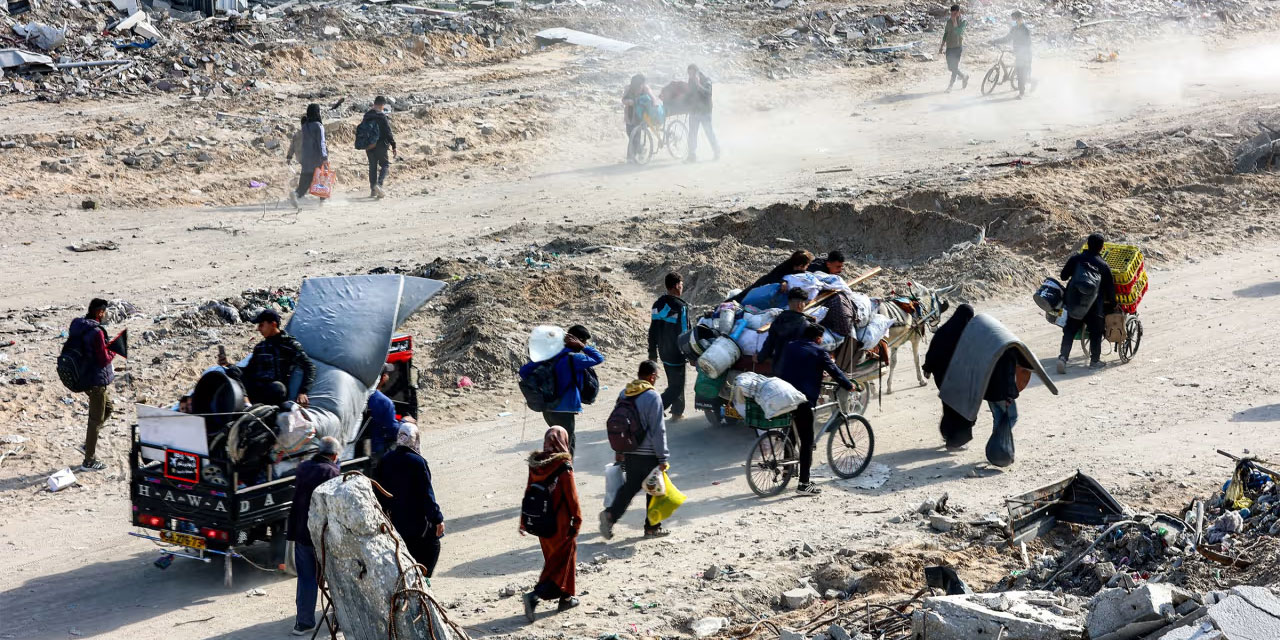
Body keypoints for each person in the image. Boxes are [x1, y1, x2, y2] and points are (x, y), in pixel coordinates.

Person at [924, 305, 1057, 465]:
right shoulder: (977, 341)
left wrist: (927, 368)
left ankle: (950, 435)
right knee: (970, 412)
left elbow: (933, 351)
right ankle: (975, 443)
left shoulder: (947, 333)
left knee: (951, 407)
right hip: (961, 377)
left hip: (946, 378)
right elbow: (1011, 369)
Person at [776, 324, 855, 496]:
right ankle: (804, 484)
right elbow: (835, 371)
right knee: (806, 441)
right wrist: (848, 385)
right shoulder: (819, 351)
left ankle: (786, 471)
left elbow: (796, 366)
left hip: (784, 395)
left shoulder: (791, 346)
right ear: (818, 338)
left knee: (791, 434)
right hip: (803, 399)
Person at [599, 360, 670, 540]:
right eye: (656, 376)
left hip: (630, 450)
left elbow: (618, 424)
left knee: (630, 488)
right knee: (655, 490)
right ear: (652, 377)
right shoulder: (653, 396)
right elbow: (658, 430)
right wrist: (663, 457)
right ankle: (652, 528)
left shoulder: (625, 393)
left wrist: (620, 450)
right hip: (649, 454)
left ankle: (610, 515)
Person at [520, 426, 582, 622]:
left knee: (555, 560)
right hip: (561, 524)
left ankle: (566, 598)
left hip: (541, 523)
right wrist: (577, 520)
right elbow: (572, 497)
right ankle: (535, 596)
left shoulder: (536, 465)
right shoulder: (563, 466)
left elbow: (528, 491)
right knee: (561, 562)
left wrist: (523, 521)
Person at [518, 326, 604, 456]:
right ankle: (565, 469)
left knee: (556, 444)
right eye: (584, 341)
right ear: (577, 340)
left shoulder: (551, 355)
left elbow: (523, 371)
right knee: (567, 446)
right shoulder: (575, 358)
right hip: (565, 409)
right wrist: (583, 347)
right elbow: (599, 358)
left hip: (548, 408)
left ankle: (555, 467)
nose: (584, 344)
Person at [287, 435, 341, 636]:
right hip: (323, 538)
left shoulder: (303, 468)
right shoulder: (332, 472)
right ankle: (339, 619)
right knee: (335, 578)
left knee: (306, 579)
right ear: (334, 455)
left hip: (302, 533)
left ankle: (303, 623)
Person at [376, 421, 445, 577]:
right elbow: (427, 495)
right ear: (415, 439)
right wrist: (437, 519)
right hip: (417, 524)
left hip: (394, 522)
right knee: (433, 545)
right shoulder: (418, 462)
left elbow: (378, 491)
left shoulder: (385, 459)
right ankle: (423, 580)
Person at [218, 309, 315, 407]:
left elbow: (309, 366)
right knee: (233, 370)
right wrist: (228, 365)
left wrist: (303, 392)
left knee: (278, 387)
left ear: (273, 324)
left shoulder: (289, 345)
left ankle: (257, 406)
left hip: (272, 390)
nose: (258, 329)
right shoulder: (260, 347)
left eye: (261, 325)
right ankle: (247, 403)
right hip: (254, 388)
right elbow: (249, 370)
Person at [1057, 233, 1116, 372]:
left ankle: (1063, 358)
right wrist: (1113, 305)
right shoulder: (1104, 266)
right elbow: (1110, 290)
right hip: (1094, 306)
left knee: (1069, 330)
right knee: (1096, 331)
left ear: (1087, 244)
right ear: (1102, 247)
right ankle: (1094, 361)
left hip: (1074, 302)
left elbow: (1063, 276)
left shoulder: (1076, 258)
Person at [69, 298, 116, 471]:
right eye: (104, 312)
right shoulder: (97, 332)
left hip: (83, 376)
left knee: (108, 408)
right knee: (95, 420)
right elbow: (103, 359)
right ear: (100, 312)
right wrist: (114, 349)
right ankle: (89, 461)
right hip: (96, 381)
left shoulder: (78, 325)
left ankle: (88, 444)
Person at [648, 272, 691, 420]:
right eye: (681, 285)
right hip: (677, 353)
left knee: (674, 382)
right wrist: (690, 354)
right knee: (677, 386)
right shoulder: (681, 306)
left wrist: (652, 353)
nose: (682, 288)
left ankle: (677, 413)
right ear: (676, 286)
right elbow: (685, 332)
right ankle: (655, 408)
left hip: (663, 352)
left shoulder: (657, 304)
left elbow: (652, 330)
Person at [758, 288, 815, 370]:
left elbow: (769, 343)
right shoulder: (806, 324)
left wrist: (760, 358)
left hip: (778, 368)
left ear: (789, 302)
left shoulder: (778, 320)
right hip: (797, 369)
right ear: (800, 304)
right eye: (804, 303)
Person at [729, 250, 814, 304]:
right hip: (764, 284)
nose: (807, 267)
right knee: (743, 296)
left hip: (767, 286)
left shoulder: (796, 266)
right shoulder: (786, 266)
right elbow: (776, 276)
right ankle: (725, 305)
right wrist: (783, 282)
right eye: (806, 265)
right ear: (800, 265)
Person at [287, 105, 328, 208]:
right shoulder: (318, 126)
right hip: (317, 158)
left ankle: (296, 194)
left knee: (304, 183)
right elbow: (321, 143)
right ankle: (322, 202)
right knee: (322, 179)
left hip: (306, 159)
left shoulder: (305, 126)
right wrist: (324, 157)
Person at [361, 96, 397, 199]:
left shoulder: (367, 115)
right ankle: (379, 185)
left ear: (374, 103)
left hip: (369, 146)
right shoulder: (382, 116)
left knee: (372, 166)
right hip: (381, 145)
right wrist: (393, 145)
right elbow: (388, 132)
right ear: (382, 105)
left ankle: (373, 190)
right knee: (385, 165)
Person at [684, 64, 720, 163]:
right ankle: (692, 155)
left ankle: (716, 151)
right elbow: (690, 95)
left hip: (705, 112)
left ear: (697, 72)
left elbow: (708, 93)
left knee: (709, 132)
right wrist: (685, 104)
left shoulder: (706, 80)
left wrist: (698, 84)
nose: (690, 76)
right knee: (692, 134)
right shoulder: (691, 80)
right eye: (689, 74)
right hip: (694, 111)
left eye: (692, 73)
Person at [993, 10, 1033, 99]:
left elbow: (1027, 44)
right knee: (1020, 73)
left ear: (1019, 18)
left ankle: (1021, 93)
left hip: (1025, 55)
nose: (1013, 21)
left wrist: (1019, 50)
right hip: (1019, 54)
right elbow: (1007, 38)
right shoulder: (1014, 29)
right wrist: (995, 41)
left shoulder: (1025, 30)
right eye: (1012, 19)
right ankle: (1030, 82)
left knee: (1021, 74)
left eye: (1014, 19)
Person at [621, 74, 659, 163]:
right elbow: (623, 100)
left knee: (635, 135)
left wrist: (654, 104)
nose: (641, 87)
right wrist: (628, 102)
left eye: (642, 84)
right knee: (630, 134)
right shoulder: (628, 89)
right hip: (630, 114)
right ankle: (641, 150)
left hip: (641, 114)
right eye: (639, 85)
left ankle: (631, 157)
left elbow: (653, 97)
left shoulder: (645, 88)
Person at [367, 363, 399, 462]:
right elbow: (393, 430)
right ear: (383, 377)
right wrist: (404, 422)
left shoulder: (357, 395)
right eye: (387, 374)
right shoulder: (385, 402)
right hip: (378, 449)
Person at [939, 5, 970, 92]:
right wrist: (941, 46)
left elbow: (959, 32)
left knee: (954, 67)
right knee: (951, 67)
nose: (953, 15)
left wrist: (955, 22)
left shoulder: (963, 21)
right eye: (952, 13)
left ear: (959, 12)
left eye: (955, 13)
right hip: (949, 47)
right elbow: (946, 34)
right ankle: (964, 76)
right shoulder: (949, 22)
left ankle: (950, 86)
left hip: (957, 47)